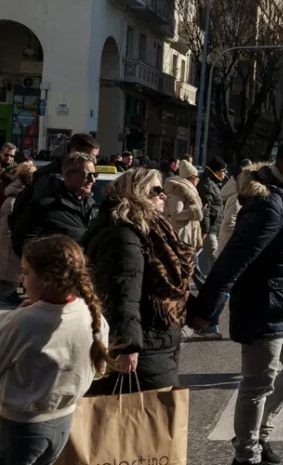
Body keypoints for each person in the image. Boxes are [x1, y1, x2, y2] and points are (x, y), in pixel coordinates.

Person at [188, 138, 283, 465]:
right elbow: (233, 259)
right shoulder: (268, 205)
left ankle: (259, 432)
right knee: (257, 386)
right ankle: (247, 455)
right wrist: (205, 309)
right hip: (264, 308)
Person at [0, 235, 112, 465]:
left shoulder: (24, 322)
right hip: (63, 422)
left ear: (47, 279)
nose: (22, 281)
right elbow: (98, 369)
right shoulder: (91, 314)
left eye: (26, 273)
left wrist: (16, 316)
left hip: (21, 426)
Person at [82, 168, 193, 393]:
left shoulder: (148, 230)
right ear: (138, 192)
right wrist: (128, 346)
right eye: (156, 190)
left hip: (155, 342)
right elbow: (123, 293)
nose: (163, 195)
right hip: (144, 349)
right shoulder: (123, 234)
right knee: (146, 421)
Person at [8, 133, 100, 235]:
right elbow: (28, 232)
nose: (95, 161)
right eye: (91, 156)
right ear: (73, 151)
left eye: (96, 156)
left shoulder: (82, 189)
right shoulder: (49, 181)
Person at [12, 152, 97, 256]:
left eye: (94, 174)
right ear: (68, 175)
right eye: (87, 175)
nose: (93, 180)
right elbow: (22, 244)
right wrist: (53, 262)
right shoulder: (46, 205)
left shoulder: (90, 205)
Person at [0, 163, 36, 302]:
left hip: (10, 250)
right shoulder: (15, 200)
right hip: (10, 250)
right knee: (8, 291)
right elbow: (8, 231)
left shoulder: (17, 196)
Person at [197, 156, 227, 286]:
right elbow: (206, 210)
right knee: (213, 255)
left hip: (213, 226)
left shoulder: (213, 182)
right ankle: (216, 284)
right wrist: (205, 230)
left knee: (195, 255)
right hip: (209, 229)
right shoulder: (207, 183)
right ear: (215, 171)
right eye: (223, 171)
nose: (225, 173)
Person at [163, 160, 203, 252]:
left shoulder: (190, 190)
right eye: (197, 177)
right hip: (181, 236)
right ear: (191, 177)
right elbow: (176, 213)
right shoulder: (178, 190)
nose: (198, 179)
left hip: (188, 235)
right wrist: (194, 212)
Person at [216, 161, 253, 257]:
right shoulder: (237, 198)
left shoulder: (236, 195)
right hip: (229, 240)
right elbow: (230, 221)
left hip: (227, 238)